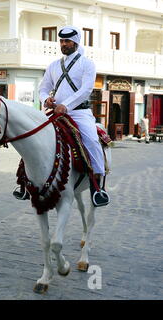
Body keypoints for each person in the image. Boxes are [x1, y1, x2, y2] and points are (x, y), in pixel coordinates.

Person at [39, 25, 109, 207]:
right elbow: (43, 87)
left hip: (79, 113)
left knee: (92, 141)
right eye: (62, 41)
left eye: (67, 41)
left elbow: (86, 90)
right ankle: (25, 182)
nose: (64, 44)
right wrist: (46, 99)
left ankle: (97, 187)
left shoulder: (87, 64)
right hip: (55, 112)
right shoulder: (54, 65)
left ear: (76, 42)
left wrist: (66, 105)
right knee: (34, 134)